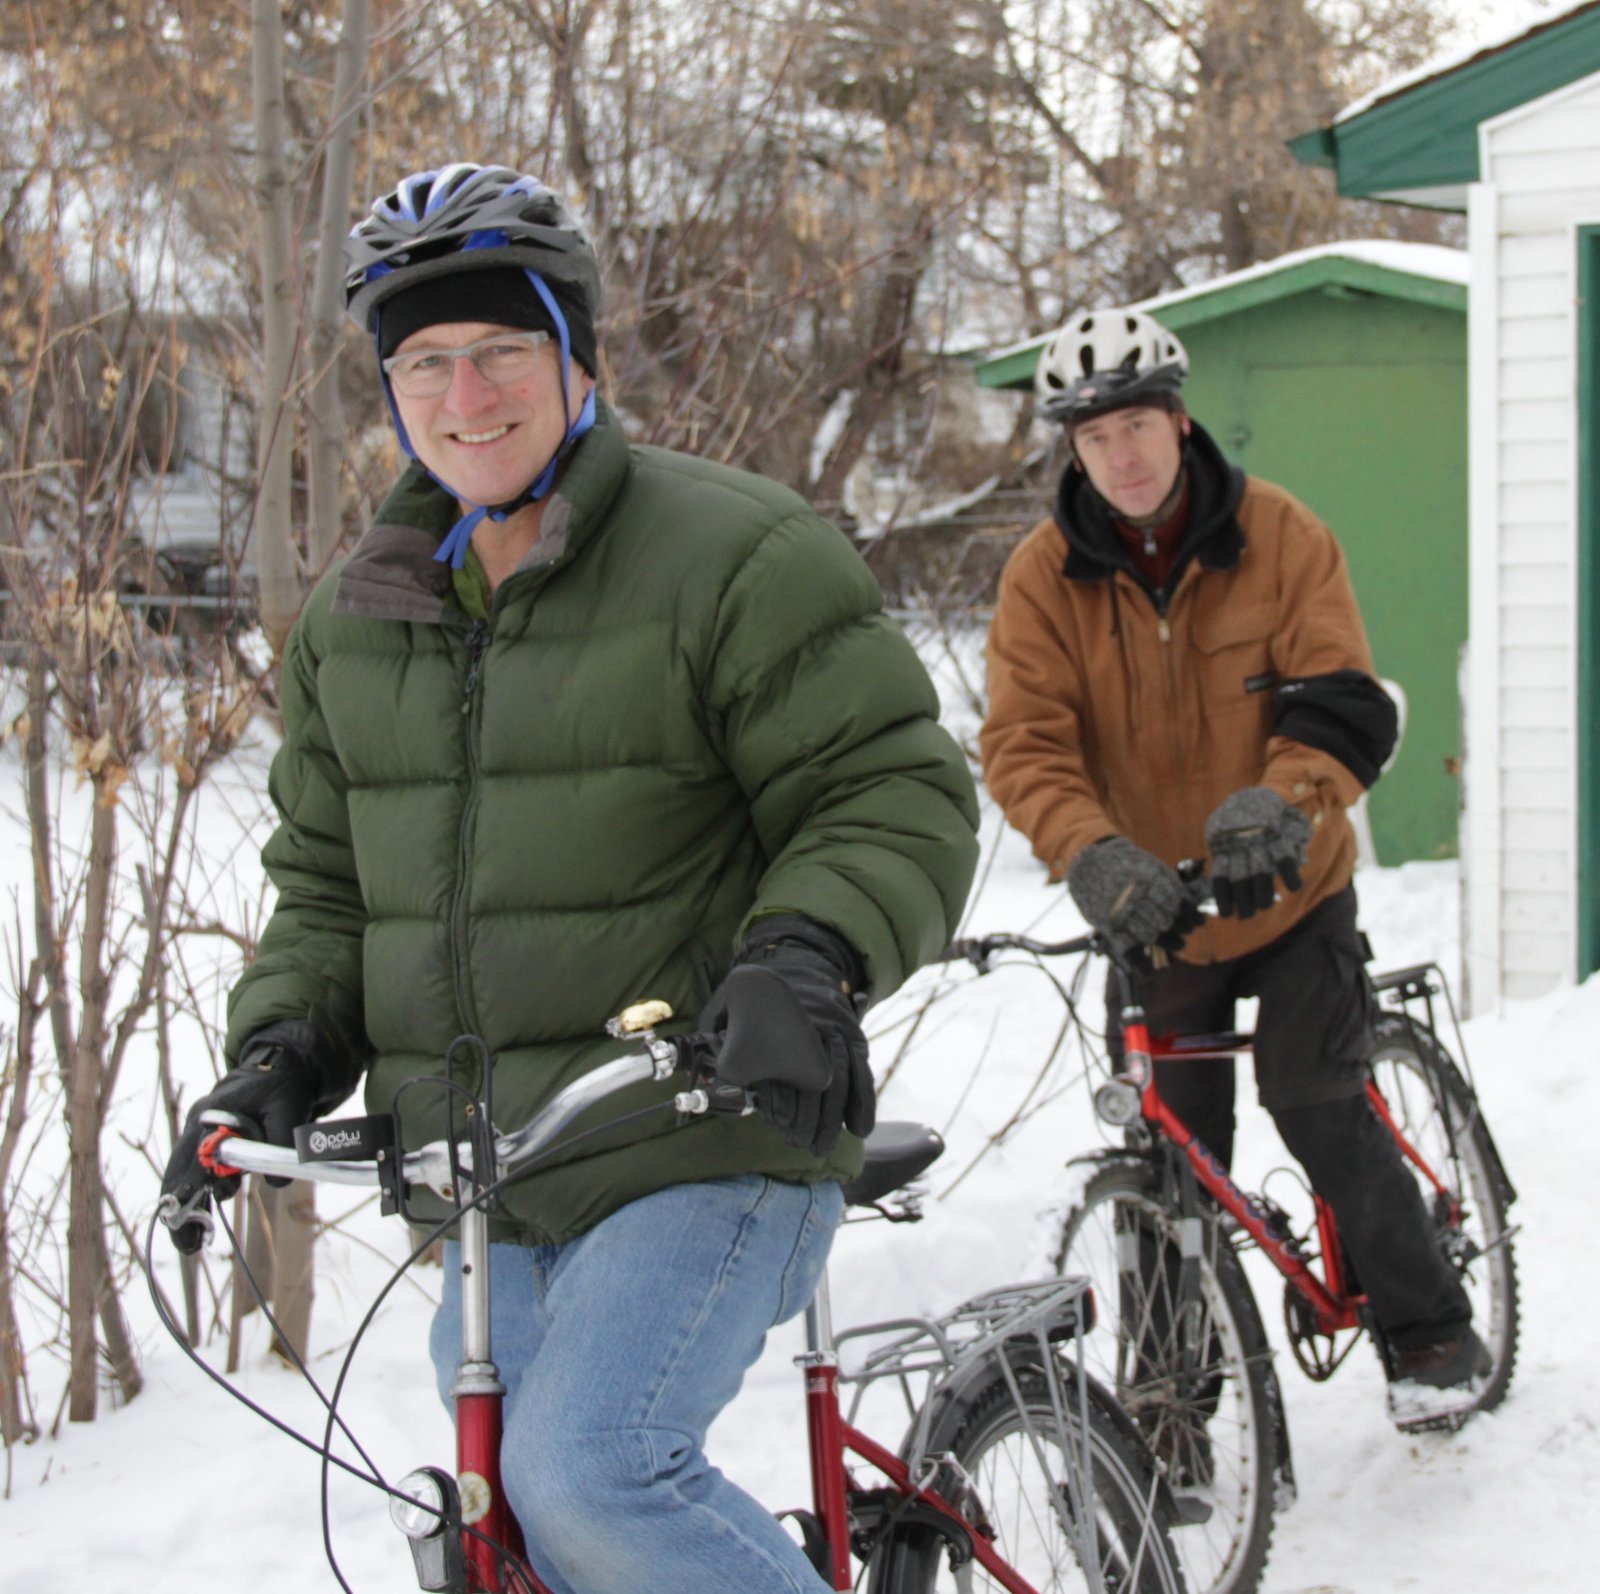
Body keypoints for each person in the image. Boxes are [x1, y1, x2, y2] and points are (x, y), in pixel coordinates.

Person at [161, 162, 979, 1593]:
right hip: (486, 1167)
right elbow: (327, 883)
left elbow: (888, 785)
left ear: (575, 352)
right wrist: (282, 1047)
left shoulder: (734, 550)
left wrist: (804, 958)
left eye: (500, 350)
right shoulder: (366, 615)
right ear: (388, 385)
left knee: (589, 1473)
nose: (463, 395)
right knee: (507, 1528)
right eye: (423, 362)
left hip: (697, 1128)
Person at [980, 307, 1486, 1430]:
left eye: (1138, 425)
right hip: (1152, 911)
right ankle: (1171, 1401)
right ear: (1073, 448)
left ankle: (1429, 1330)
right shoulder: (1041, 579)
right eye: (1095, 435)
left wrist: (1283, 800)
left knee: (1314, 1098)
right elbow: (1024, 745)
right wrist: (1090, 850)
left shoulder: (1277, 534)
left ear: (1178, 417)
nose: (1122, 454)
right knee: (1169, 1156)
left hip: (1288, 889)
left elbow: (1343, 697)